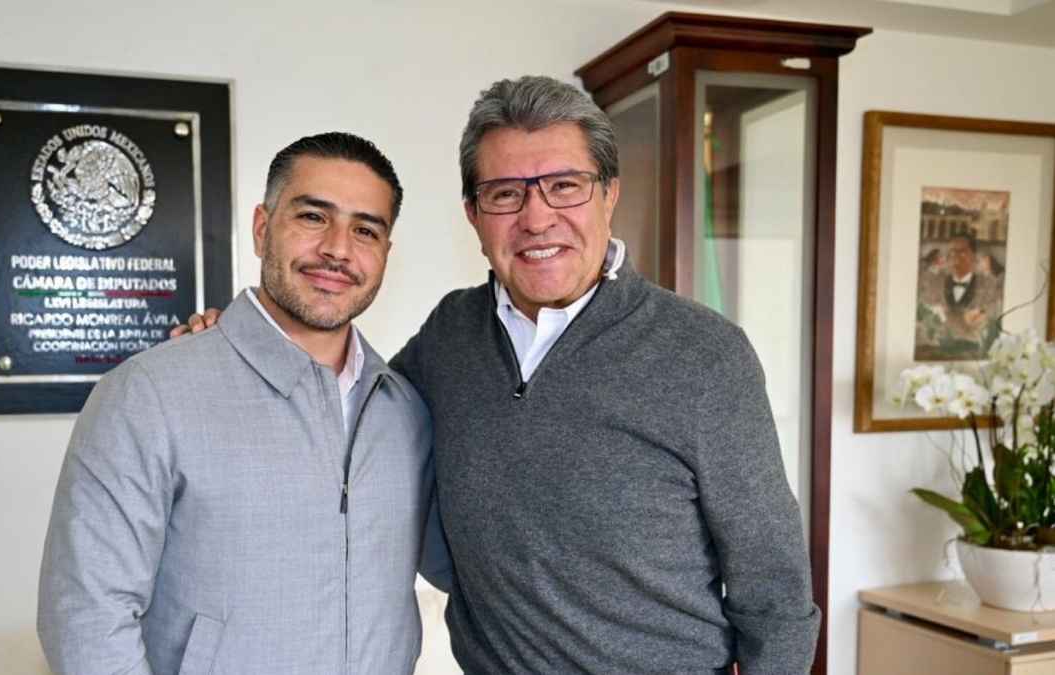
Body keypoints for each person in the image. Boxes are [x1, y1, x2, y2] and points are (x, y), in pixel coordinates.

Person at [178, 76, 819, 673]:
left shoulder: (704, 356)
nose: (537, 218)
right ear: (474, 214)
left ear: (609, 195)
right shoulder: (451, 334)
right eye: (506, 193)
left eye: (564, 185)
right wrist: (234, 346)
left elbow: (775, 588)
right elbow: (346, 406)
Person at [38, 132, 449, 675]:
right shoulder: (150, 394)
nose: (338, 249)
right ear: (262, 228)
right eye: (313, 217)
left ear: (385, 254)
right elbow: (86, 620)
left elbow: (466, 564)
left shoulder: (404, 412)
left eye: (365, 230)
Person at [915, 232, 1003, 360]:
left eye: (961, 251)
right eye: (951, 252)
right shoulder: (934, 284)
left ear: (974, 256)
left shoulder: (989, 286)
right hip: (936, 354)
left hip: (974, 358)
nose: (955, 256)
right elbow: (926, 323)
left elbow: (988, 324)